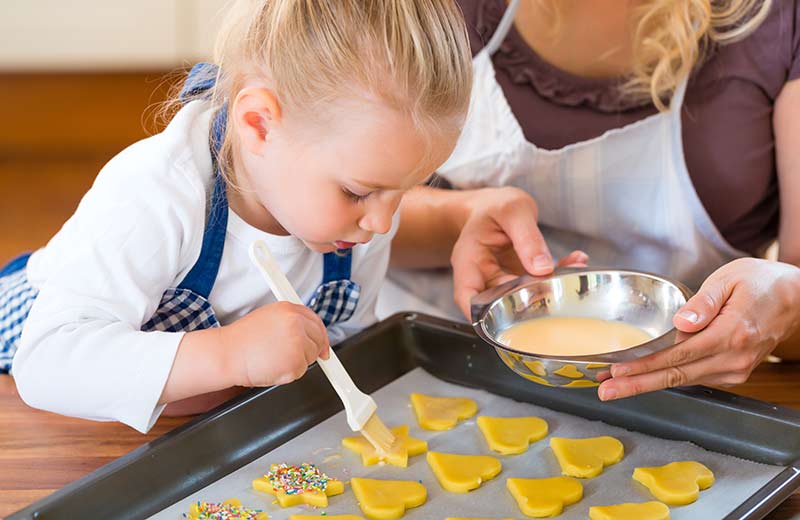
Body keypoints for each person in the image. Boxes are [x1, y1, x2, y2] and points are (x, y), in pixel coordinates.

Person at [0, 0, 472, 432]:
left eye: (408, 190)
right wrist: (230, 354)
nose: (383, 224)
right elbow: (46, 364)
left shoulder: (358, 222)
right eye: (357, 192)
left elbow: (344, 353)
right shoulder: (158, 192)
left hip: (197, 426)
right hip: (52, 404)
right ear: (259, 125)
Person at [381, 0, 800, 400]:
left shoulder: (783, 23)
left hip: (678, 395)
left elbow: (790, 292)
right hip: (418, 362)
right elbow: (338, 210)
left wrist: (787, 304)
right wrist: (457, 221)